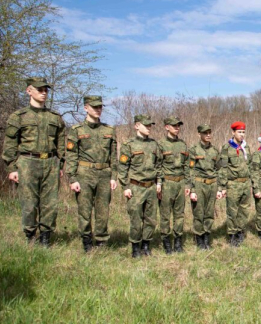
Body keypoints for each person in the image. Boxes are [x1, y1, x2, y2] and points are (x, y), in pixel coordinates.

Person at [2, 77, 65, 246]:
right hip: (27, 162)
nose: (44, 93)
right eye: (40, 90)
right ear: (29, 91)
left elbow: (61, 142)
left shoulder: (55, 117)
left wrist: (60, 164)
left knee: (50, 204)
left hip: (50, 162)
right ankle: (30, 236)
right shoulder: (18, 117)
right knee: (29, 203)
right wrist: (12, 168)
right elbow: (10, 144)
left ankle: (45, 238)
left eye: (46, 90)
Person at [65, 95, 118, 252]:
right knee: (84, 209)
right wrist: (72, 178)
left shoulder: (109, 130)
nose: (98, 109)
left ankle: (101, 241)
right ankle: (86, 240)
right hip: (84, 173)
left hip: (104, 173)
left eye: (100, 107)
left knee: (103, 210)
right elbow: (71, 155)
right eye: (94, 107)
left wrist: (114, 176)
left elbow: (113, 156)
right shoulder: (77, 130)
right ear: (86, 108)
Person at [118, 114, 163, 258]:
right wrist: (125, 187)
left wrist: (159, 182)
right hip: (135, 187)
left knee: (151, 219)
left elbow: (159, 165)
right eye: (146, 125)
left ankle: (146, 245)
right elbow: (122, 168)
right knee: (136, 219)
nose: (149, 128)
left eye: (150, 125)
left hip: (151, 187)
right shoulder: (129, 145)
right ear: (137, 126)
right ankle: (135, 247)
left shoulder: (154, 144)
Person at [188, 124, 223, 250]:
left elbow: (219, 169)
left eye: (209, 132)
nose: (208, 135)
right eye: (205, 133)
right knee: (198, 212)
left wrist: (219, 188)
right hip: (199, 184)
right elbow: (190, 170)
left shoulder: (215, 151)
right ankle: (199, 238)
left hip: (212, 184)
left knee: (209, 213)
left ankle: (207, 237)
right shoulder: (193, 150)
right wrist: (192, 190)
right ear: (199, 134)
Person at [157, 116, 189, 254]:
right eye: (174, 125)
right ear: (167, 127)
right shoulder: (160, 144)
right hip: (167, 183)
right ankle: (166, 242)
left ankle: (178, 242)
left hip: (180, 182)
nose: (177, 128)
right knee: (165, 214)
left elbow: (187, 165)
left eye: (178, 125)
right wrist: (159, 183)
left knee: (179, 214)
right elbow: (158, 165)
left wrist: (188, 184)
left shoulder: (183, 144)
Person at [218, 121, 252, 247]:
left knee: (244, 210)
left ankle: (240, 232)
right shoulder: (227, 148)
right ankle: (232, 235)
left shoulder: (246, 148)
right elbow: (223, 168)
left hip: (245, 183)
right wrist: (223, 186)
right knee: (232, 211)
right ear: (233, 132)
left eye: (243, 132)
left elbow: (250, 166)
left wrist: (251, 183)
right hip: (233, 184)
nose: (242, 134)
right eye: (239, 132)